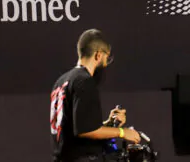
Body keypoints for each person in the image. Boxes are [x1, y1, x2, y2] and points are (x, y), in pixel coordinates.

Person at [50, 29, 143, 162]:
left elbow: (77, 128)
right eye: (107, 57)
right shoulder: (84, 80)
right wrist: (122, 132)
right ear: (98, 55)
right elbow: (85, 131)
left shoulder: (61, 81)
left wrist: (109, 123)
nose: (106, 63)